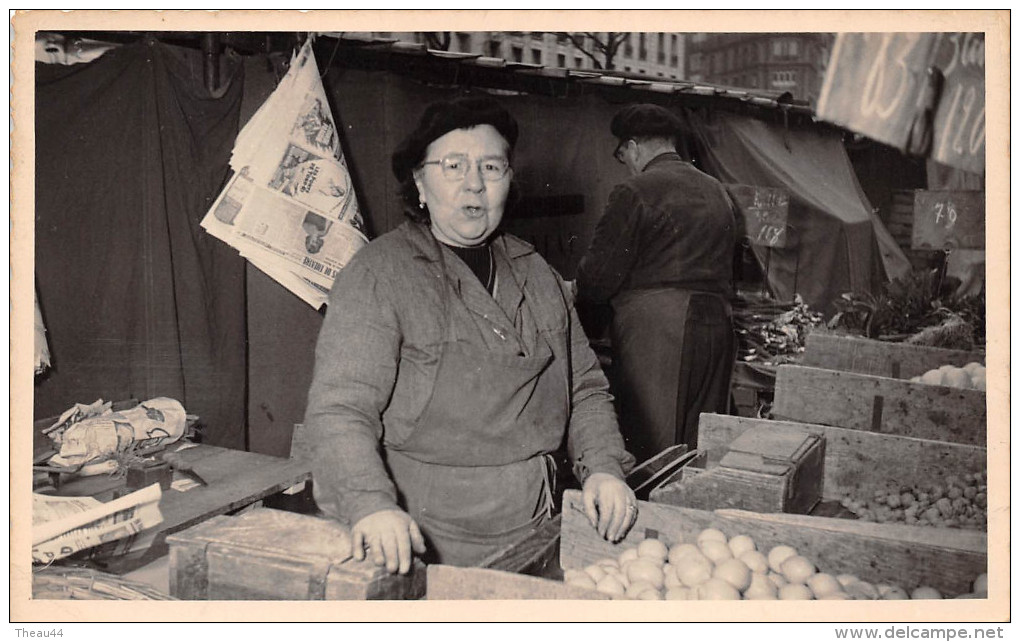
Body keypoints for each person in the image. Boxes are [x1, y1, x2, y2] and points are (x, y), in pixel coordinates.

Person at [305, 96, 637, 574]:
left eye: (491, 166)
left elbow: (584, 387)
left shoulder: (536, 271)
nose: (474, 184)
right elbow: (340, 408)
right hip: (427, 537)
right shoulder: (379, 274)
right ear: (419, 182)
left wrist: (603, 466)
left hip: (538, 520)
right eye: (453, 165)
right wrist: (370, 505)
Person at [576, 103, 738, 463]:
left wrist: (582, 315)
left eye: (623, 155)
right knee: (699, 442)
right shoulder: (717, 191)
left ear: (632, 147)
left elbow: (598, 277)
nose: (627, 164)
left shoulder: (635, 191)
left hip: (658, 333)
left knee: (650, 444)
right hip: (717, 326)